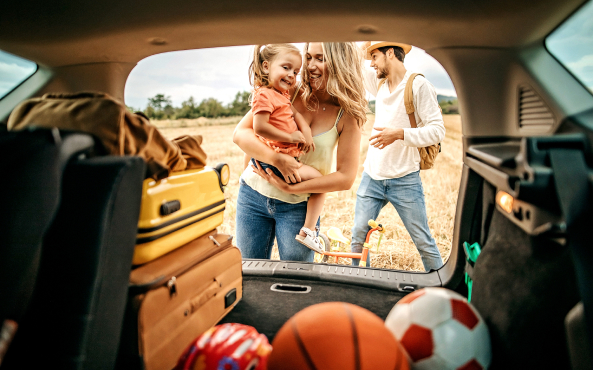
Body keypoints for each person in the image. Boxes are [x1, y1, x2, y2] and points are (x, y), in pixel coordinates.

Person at [233, 42, 367, 262]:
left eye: (320, 59)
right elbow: (241, 134)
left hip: (298, 208)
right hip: (252, 197)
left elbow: (345, 178)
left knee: (296, 281)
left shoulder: (347, 115)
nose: (310, 66)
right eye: (309, 57)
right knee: (249, 273)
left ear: (341, 63)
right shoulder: (288, 92)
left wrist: (289, 187)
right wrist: (277, 159)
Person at [350, 41, 445, 271]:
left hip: (405, 179)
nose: (371, 63)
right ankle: (361, 284)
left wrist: (399, 134)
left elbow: (437, 130)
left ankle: (444, 289)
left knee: (423, 242)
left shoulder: (419, 85)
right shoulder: (379, 83)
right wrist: (368, 47)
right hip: (372, 176)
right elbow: (354, 63)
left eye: (375, 57)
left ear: (390, 53)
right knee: (357, 241)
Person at [247, 44, 326, 252]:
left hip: (284, 159)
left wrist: (306, 133)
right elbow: (260, 127)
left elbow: (296, 114)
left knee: (320, 183)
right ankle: (309, 231)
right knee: (321, 182)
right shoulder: (263, 95)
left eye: (295, 72)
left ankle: (309, 231)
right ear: (266, 67)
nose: (291, 75)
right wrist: (290, 137)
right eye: (286, 68)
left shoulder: (282, 94)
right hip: (276, 161)